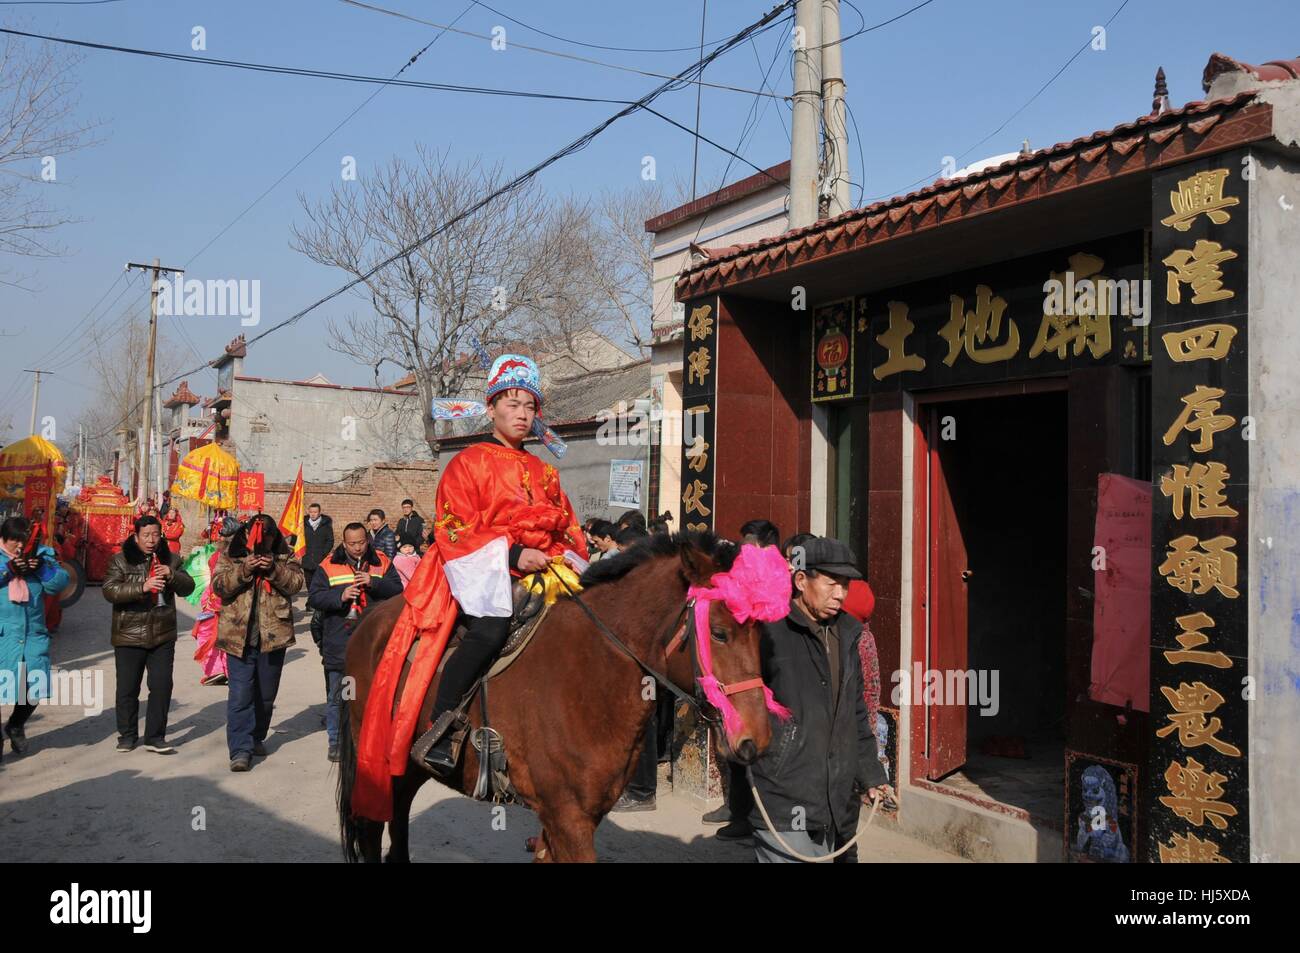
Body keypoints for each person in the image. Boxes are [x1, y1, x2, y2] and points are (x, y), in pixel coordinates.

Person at [420, 353, 588, 775]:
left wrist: (558, 558)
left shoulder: (546, 472)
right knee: (491, 628)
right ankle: (440, 726)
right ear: (491, 406)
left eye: (530, 406)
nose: (523, 414)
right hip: (483, 570)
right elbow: (453, 525)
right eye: (512, 405)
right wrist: (513, 554)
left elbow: (569, 529)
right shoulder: (468, 461)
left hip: (545, 572)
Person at [748, 536, 892, 863]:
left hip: (836, 796)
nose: (840, 594)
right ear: (801, 580)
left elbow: (857, 713)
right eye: (832, 583)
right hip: (783, 791)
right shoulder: (767, 631)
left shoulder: (848, 633)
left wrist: (870, 773)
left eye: (845, 585)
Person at [211, 514, 304, 772]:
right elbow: (219, 586)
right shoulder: (232, 554)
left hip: (273, 637)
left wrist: (273, 569)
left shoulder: (285, 556)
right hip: (238, 636)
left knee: (265, 695)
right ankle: (240, 750)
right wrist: (245, 569)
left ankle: (255, 737)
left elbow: (296, 584)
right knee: (240, 695)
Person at [307, 521, 403, 762]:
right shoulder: (329, 565)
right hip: (342, 642)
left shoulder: (381, 561)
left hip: (376, 644)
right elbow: (315, 597)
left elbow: (398, 590)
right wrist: (340, 595)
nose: (358, 548)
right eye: (352, 544)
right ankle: (337, 742)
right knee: (343, 695)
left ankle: (370, 741)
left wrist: (373, 583)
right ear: (344, 542)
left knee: (375, 697)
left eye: (361, 542)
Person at [102, 514, 196, 754]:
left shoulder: (171, 559)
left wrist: (172, 574)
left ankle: (155, 737)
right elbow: (110, 590)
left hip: (162, 634)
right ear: (136, 536)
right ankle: (127, 735)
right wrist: (142, 587)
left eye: (155, 534)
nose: (151, 540)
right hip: (129, 633)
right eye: (146, 535)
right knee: (127, 688)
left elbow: (189, 587)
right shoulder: (120, 560)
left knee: (162, 686)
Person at [0, 516, 70, 761]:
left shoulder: (40, 554)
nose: (18, 548)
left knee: (35, 688)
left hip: (32, 633)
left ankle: (16, 725)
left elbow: (61, 581)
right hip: (3, 633)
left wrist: (41, 568)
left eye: (22, 542)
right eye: (13, 543)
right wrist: (8, 570)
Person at [301, 502, 334, 677]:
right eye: (311, 511)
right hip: (307, 558)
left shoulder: (326, 525)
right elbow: (297, 538)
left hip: (320, 558)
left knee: (317, 582)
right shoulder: (303, 524)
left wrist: (324, 553)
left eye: (315, 511)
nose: (313, 514)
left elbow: (330, 540)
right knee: (308, 580)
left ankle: (313, 601)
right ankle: (310, 599)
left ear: (319, 512)